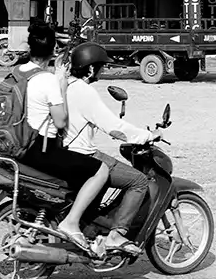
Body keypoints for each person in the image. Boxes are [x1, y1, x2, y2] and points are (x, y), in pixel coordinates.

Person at [17, 20, 111, 256]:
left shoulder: (16, 72)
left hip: (15, 143)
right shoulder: (47, 79)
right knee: (100, 170)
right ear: (53, 50)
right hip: (39, 148)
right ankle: (71, 222)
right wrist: (60, 83)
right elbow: (60, 121)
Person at [62, 41, 156, 253]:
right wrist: (146, 135)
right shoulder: (84, 92)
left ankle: (93, 224)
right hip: (82, 154)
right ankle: (116, 235)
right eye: (101, 67)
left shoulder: (63, 86)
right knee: (139, 181)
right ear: (91, 68)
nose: (102, 71)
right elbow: (113, 127)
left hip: (63, 153)